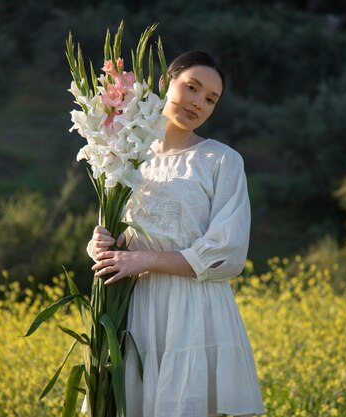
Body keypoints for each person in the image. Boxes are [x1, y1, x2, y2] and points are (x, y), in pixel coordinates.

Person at [87, 50, 265, 417]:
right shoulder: (126, 153)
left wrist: (143, 260)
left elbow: (226, 254)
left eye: (211, 99)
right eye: (192, 87)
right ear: (167, 83)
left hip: (194, 312)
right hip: (134, 312)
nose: (198, 102)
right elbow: (117, 232)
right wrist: (99, 245)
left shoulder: (221, 161)